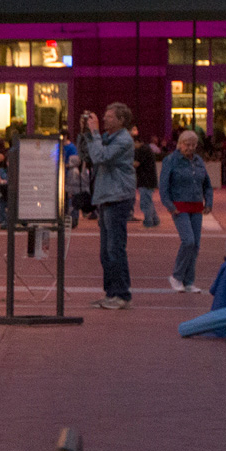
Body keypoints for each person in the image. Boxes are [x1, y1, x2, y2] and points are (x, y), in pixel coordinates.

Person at [78, 103, 137, 310]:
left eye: (109, 117)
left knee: (115, 248)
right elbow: (87, 156)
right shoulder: (107, 138)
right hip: (105, 196)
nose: (104, 119)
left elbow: (100, 157)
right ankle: (111, 293)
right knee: (105, 251)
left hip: (118, 197)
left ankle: (122, 294)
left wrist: (94, 133)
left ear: (121, 120)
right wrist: (85, 134)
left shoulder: (123, 140)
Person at [159, 129, 213, 294]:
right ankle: (176, 276)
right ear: (180, 144)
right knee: (188, 241)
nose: (190, 148)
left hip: (196, 206)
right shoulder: (171, 160)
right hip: (179, 207)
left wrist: (209, 202)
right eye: (186, 144)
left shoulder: (198, 161)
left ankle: (189, 281)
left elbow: (207, 184)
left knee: (195, 245)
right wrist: (169, 205)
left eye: (193, 145)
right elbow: (163, 186)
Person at [134, 132, 162, 229]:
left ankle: (148, 221)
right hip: (149, 180)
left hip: (145, 180)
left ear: (137, 142)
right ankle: (155, 219)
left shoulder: (142, 150)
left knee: (145, 202)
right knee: (148, 201)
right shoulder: (146, 149)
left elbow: (136, 164)